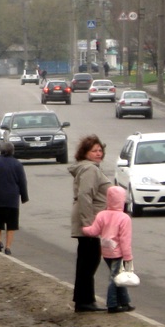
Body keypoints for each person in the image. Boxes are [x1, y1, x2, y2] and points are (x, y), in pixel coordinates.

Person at [68, 134, 112, 312]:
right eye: (94, 150)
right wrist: (89, 224)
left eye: (100, 150)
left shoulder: (90, 168)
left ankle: (83, 300)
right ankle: (85, 301)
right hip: (89, 223)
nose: (98, 153)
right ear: (85, 153)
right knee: (90, 260)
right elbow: (86, 195)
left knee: (87, 260)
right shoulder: (90, 170)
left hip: (90, 221)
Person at [81, 185, 135, 313]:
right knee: (115, 278)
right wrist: (128, 257)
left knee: (118, 276)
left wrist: (83, 229)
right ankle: (112, 304)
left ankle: (125, 302)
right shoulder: (124, 218)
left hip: (105, 250)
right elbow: (124, 240)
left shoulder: (102, 215)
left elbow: (94, 231)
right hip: (118, 251)